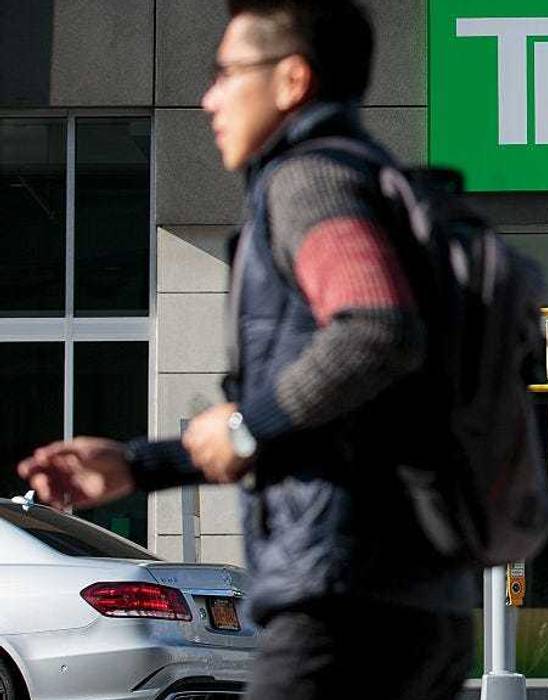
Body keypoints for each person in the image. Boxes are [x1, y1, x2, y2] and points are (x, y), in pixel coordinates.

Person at [16, 2, 473, 698]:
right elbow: (323, 422)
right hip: (403, 594)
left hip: (340, 601)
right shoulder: (373, 183)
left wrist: (241, 427)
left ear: (291, 80)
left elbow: (376, 330)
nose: (209, 98)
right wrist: (142, 465)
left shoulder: (309, 182)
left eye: (226, 72)